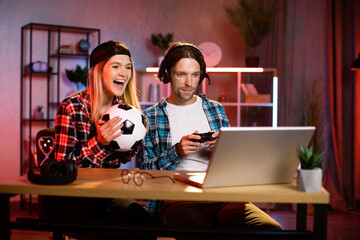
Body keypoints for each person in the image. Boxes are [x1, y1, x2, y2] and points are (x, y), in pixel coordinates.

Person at [138, 42, 282, 234]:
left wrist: (223, 149)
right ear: (167, 75)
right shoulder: (151, 116)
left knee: (271, 230)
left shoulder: (215, 109)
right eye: (181, 74)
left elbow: (234, 162)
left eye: (195, 75)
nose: (190, 83)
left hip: (224, 196)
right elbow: (144, 171)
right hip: (179, 201)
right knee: (202, 234)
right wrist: (176, 152)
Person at [53, 40, 154, 239]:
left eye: (128, 67)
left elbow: (124, 159)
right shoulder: (72, 107)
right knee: (103, 230)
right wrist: (99, 143)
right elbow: (61, 169)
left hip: (108, 191)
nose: (124, 73)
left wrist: (139, 135)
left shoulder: (126, 111)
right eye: (116, 66)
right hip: (75, 195)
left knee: (146, 225)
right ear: (98, 71)